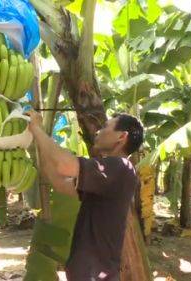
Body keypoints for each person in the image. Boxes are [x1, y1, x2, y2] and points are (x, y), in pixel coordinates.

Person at [25, 110, 144, 281]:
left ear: (121, 137)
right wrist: (37, 141)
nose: (98, 131)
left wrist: (37, 129)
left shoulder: (120, 167)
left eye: (105, 127)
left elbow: (63, 166)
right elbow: (58, 181)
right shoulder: (107, 176)